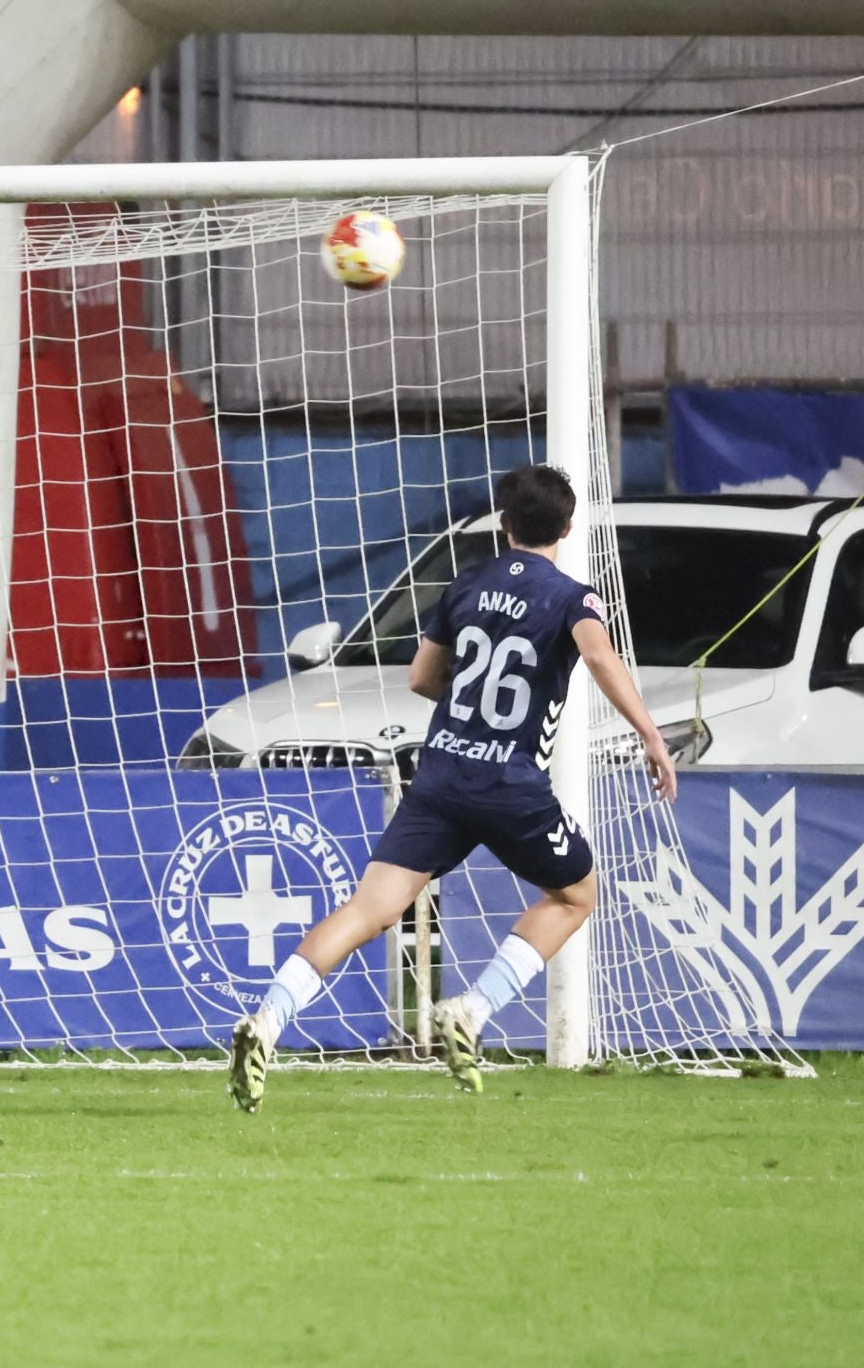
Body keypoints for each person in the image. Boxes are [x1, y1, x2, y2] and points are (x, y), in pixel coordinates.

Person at [228, 464, 679, 1113]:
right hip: (508, 782)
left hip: (440, 775)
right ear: (570, 526)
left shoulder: (467, 586)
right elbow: (601, 656)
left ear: (503, 523)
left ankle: (268, 1019)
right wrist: (650, 735)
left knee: (367, 910)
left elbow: (419, 678)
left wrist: (468, 703)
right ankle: (472, 1008)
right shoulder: (573, 597)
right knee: (578, 894)